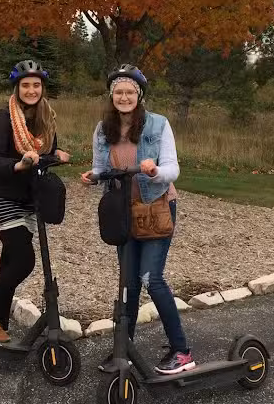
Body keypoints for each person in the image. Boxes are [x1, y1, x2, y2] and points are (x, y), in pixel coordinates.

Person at [80, 64, 195, 375]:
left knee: (151, 280)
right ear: (111, 95)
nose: (124, 96)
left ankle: (182, 352)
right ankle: (124, 349)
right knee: (128, 284)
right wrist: (94, 177)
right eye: (119, 91)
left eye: (130, 91)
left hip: (156, 206)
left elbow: (173, 169)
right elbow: (101, 168)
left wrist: (155, 170)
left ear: (139, 94)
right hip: (123, 211)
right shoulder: (103, 129)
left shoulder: (158, 125)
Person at [0, 59, 70, 343]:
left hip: (30, 201)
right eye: (25, 85)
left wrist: (58, 155)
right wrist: (17, 165)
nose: (31, 90)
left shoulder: (45, 119)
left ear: (42, 88)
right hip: (2, 198)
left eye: (36, 85)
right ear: (17, 88)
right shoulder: (4, 117)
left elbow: (45, 155)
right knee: (24, 260)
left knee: (10, 261)